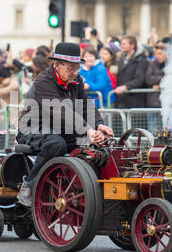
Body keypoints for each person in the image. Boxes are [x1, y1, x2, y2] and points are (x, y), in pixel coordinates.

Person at [16, 42, 114, 207]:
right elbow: (61, 112)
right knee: (56, 144)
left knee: (91, 143)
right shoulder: (43, 81)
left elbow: (86, 105)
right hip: (33, 129)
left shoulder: (76, 80)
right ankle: (29, 187)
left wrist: (98, 125)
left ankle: (81, 186)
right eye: (71, 68)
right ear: (57, 64)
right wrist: (87, 129)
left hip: (60, 129)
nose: (75, 73)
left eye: (77, 68)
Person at [114, 36, 149, 108]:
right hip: (121, 99)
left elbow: (140, 78)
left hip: (136, 100)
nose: (121, 46)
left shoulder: (141, 60)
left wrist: (126, 87)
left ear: (132, 45)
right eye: (121, 44)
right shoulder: (121, 59)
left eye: (124, 44)